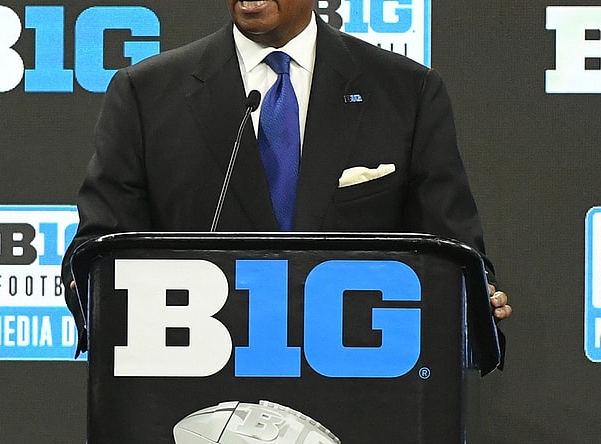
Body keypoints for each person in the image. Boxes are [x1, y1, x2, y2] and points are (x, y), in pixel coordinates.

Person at [62, 0, 512, 347]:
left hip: (358, 378)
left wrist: (472, 296)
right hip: (196, 374)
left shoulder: (406, 91)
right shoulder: (146, 92)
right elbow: (99, 253)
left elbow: (450, 249)